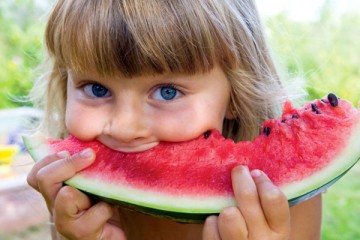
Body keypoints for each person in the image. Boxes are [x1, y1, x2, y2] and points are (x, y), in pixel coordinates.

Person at [27, 0, 322, 239]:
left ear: (235, 94)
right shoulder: (81, 196)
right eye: (96, 89)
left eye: (167, 92)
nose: (125, 128)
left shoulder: (284, 198)